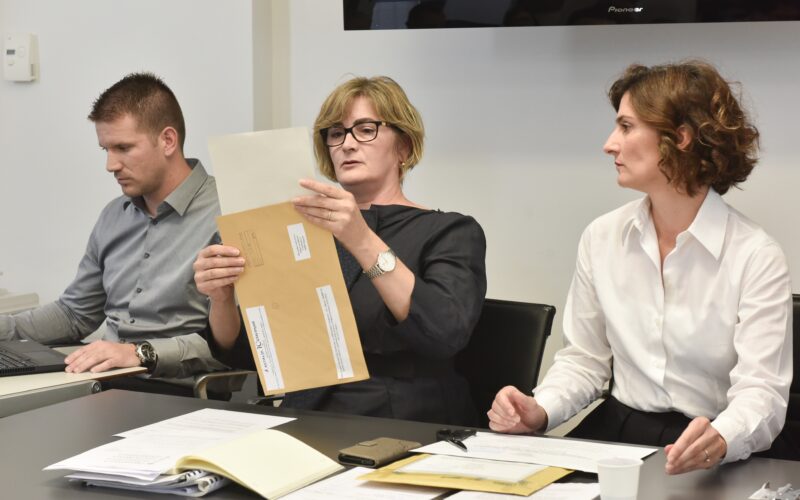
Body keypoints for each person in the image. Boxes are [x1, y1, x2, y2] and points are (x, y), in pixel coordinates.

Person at [488, 61, 793, 473]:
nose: (609, 144)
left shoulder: (756, 255)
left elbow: (762, 393)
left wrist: (722, 438)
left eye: (626, 127)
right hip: (618, 432)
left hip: (712, 445)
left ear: (680, 137)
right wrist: (539, 409)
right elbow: (585, 360)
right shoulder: (602, 236)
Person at [194, 76, 487, 425]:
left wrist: (361, 239)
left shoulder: (450, 231)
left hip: (403, 418)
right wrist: (222, 298)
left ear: (404, 147)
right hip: (304, 413)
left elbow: (445, 331)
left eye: (365, 129)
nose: (347, 144)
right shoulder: (302, 232)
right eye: (336, 133)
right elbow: (245, 352)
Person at [0, 73, 227, 393]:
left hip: (175, 389)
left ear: (167, 140)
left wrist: (139, 353)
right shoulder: (114, 215)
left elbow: (236, 344)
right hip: (102, 383)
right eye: (105, 149)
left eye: (123, 148)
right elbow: (74, 314)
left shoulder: (230, 212)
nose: (110, 165)